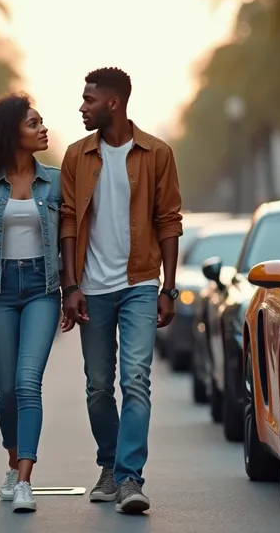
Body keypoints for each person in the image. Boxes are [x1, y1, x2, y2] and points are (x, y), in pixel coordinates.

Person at [59, 67, 183, 514]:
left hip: (139, 285)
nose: (82, 107)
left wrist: (169, 287)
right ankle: (108, 465)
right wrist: (69, 284)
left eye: (89, 99)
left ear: (113, 102)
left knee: (135, 381)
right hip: (91, 288)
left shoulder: (157, 153)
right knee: (97, 386)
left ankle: (130, 478)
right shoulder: (77, 156)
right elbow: (69, 220)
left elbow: (169, 220)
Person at [0, 93, 62, 513]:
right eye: (33, 123)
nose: (43, 129)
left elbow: (72, 239)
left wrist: (72, 290)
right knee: (5, 392)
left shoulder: (55, 181)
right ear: (11, 134)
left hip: (42, 287)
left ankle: (24, 480)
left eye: (42, 122)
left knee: (26, 383)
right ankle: (11, 461)